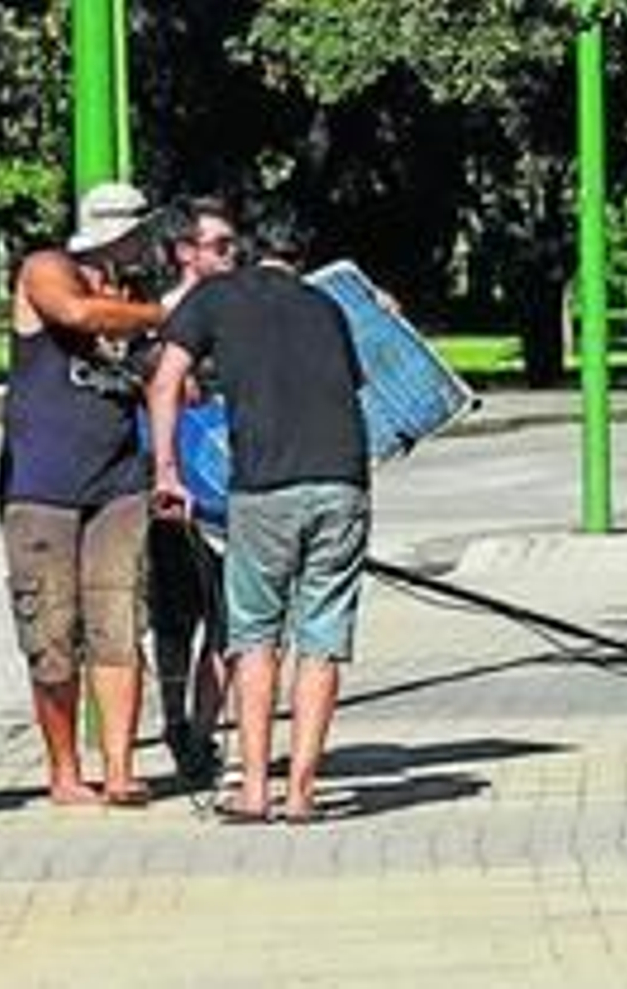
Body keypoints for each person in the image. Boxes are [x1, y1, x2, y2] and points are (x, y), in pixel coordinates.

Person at [148, 213, 368, 824]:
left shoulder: (215, 296)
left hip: (265, 486)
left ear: (243, 252)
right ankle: (300, 793)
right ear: (302, 254)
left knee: (254, 638)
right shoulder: (326, 306)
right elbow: (353, 387)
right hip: (341, 481)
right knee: (323, 638)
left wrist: (167, 471)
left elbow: (164, 381)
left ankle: (252, 793)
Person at [0, 181, 167, 806]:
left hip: (118, 487)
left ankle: (120, 769)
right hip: (43, 488)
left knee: (119, 624)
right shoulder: (48, 269)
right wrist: (162, 315)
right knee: (51, 634)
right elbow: (75, 315)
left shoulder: (134, 297)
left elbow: (165, 376)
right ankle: (64, 770)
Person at [148, 196, 239, 784]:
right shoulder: (157, 316)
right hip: (177, 480)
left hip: (235, 480)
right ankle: (176, 721)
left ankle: (203, 732)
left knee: (232, 617)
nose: (234, 257)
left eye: (236, 246)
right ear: (186, 252)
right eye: (221, 247)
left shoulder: (240, 307)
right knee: (177, 614)